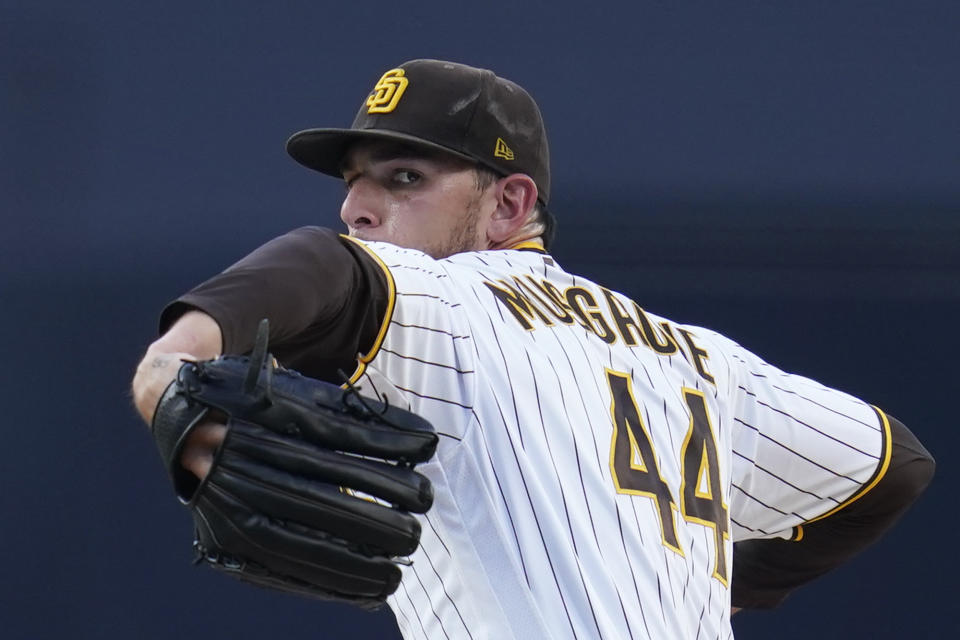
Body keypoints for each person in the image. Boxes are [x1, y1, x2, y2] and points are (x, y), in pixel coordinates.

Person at [132, 59, 934, 640]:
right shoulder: (704, 364)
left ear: (509, 202)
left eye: (403, 178)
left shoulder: (449, 302)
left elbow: (318, 262)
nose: (358, 208)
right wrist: (720, 583)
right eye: (353, 182)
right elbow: (894, 462)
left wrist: (170, 364)